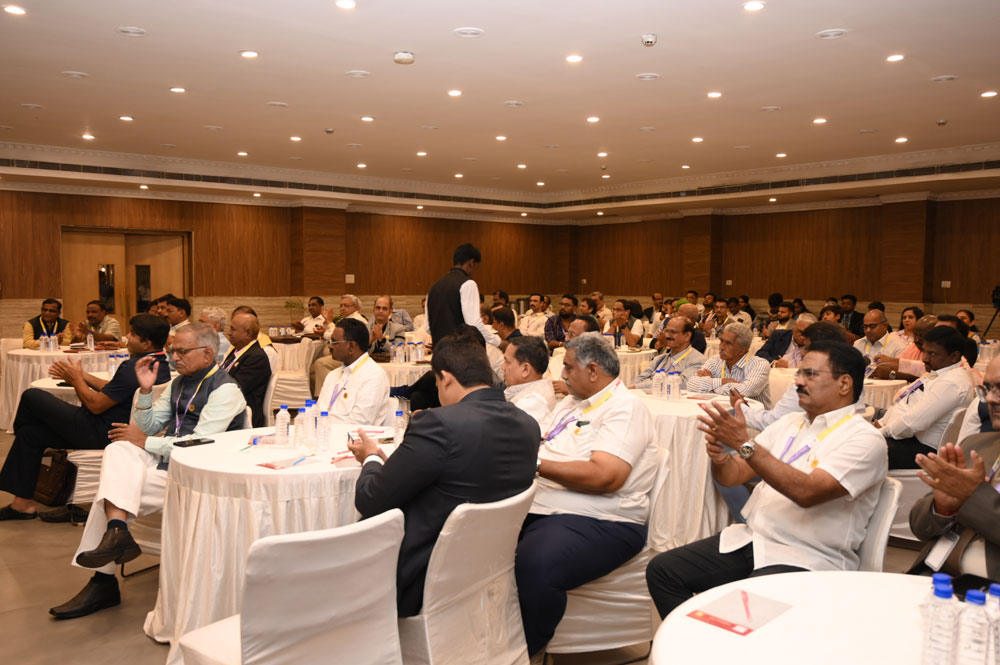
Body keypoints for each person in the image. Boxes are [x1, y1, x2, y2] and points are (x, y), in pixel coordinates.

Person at [646, 340, 887, 619]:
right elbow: (734, 475)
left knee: (742, 613)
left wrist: (743, 444)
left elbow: (808, 492)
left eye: (810, 374)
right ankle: (691, 644)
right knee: (663, 571)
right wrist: (720, 458)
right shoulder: (791, 423)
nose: (798, 381)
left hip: (807, 556)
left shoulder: (863, 439)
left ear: (844, 384)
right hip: (754, 540)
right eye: (799, 373)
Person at [49, 323, 247, 619]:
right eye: (173, 351)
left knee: (111, 496)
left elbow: (200, 443)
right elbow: (147, 428)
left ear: (207, 354)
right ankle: (117, 532)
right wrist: (144, 391)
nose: (174, 357)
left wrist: (146, 442)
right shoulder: (180, 383)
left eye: (182, 352)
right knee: (118, 449)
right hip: (167, 462)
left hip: (199, 474)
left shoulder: (225, 389)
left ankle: (104, 579)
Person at [348, 335, 538, 616]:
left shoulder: (438, 423)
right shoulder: (528, 425)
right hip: (487, 572)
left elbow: (370, 498)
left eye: (437, 384)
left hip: (420, 579)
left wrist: (371, 458)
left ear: (446, 378)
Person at [516, 334, 656, 658]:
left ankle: (528, 652)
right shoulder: (573, 402)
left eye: (568, 367)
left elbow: (605, 476)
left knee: (535, 564)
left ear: (593, 370)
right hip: (550, 505)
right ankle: (494, 632)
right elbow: (544, 441)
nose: (562, 375)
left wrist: (534, 466)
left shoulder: (625, 408)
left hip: (602, 518)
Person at [0, 315, 172, 521]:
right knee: (30, 434)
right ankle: (22, 505)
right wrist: (83, 376)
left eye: (133, 334)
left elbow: (96, 405)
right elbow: (114, 390)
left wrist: (76, 380)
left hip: (100, 431)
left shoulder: (133, 367)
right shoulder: (159, 363)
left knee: (31, 396)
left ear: (147, 343)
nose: (127, 337)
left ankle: (22, 439)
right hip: (112, 429)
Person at [907, 355, 1000, 587]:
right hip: (933, 578)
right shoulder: (975, 445)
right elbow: (919, 526)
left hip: (987, 592)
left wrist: (972, 497)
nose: (990, 398)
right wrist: (942, 509)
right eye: (987, 388)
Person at [875, 326, 975, 469]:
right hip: (905, 438)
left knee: (857, 446)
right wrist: (883, 424)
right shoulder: (939, 372)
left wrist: (880, 432)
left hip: (922, 449)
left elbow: (912, 424)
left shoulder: (951, 383)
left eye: (932, 353)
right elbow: (905, 403)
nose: (925, 358)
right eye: (924, 351)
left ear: (954, 356)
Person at [738, 321, 852, 431]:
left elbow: (774, 422)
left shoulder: (809, 382)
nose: (802, 353)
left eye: (807, 348)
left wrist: (740, 407)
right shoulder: (848, 375)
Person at [316, 318, 390, 425]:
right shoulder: (333, 375)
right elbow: (318, 411)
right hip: (324, 432)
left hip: (352, 434)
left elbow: (360, 422)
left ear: (351, 346)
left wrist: (324, 424)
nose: (330, 346)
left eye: (334, 342)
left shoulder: (373, 375)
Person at [425, 243, 500, 347]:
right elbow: (474, 324)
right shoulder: (468, 284)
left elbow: (428, 328)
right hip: (462, 350)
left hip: (439, 350)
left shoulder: (433, 287)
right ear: (471, 263)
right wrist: (499, 343)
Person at [688, 323, 771, 406]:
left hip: (751, 413)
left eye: (728, 343)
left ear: (742, 350)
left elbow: (743, 392)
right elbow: (691, 384)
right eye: (721, 341)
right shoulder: (715, 360)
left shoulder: (759, 364)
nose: (721, 347)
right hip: (720, 410)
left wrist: (711, 385)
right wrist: (723, 381)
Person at [220, 312, 272, 428]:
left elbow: (236, 388)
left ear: (248, 333)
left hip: (241, 413)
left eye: (233, 329)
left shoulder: (256, 357)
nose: (229, 333)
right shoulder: (237, 351)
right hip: (228, 406)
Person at [632, 317, 705, 390]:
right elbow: (639, 379)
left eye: (672, 332)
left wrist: (639, 386)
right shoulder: (660, 359)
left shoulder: (698, 361)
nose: (667, 336)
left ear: (687, 336)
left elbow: (680, 385)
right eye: (666, 331)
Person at [503, 335, 557, 425]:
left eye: (507, 362)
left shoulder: (530, 403)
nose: (502, 367)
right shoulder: (537, 386)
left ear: (525, 369)